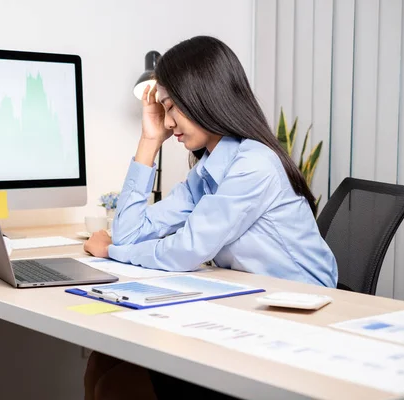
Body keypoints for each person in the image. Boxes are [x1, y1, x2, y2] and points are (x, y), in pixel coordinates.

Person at [82, 36, 338, 400]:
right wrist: (148, 140)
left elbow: (185, 250)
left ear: (205, 97)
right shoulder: (205, 172)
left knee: (118, 384)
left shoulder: (254, 164)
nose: (168, 123)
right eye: (165, 111)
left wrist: (110, 253)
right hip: (248, 305)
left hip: (298, 315)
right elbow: (129, 232)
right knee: (103, 361)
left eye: (173, 109)